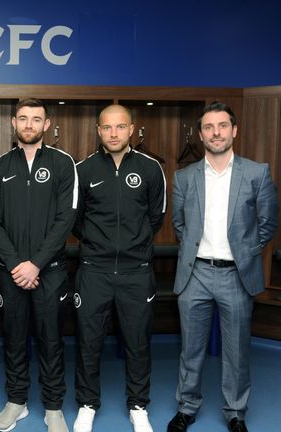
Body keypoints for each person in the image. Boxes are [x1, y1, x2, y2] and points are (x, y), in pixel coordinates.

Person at [167, 102, 278, 432]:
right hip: (195, 275)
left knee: (237, 351)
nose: (216, 132)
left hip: (236, 275)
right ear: (201, 134)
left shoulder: (257, 173)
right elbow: (178, 224)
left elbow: (267, 223)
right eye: (209, 127)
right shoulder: (184, 177)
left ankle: (235, 412)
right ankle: (186, 408)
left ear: (234, 130)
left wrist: (244, 254)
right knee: (191, 350)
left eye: (222, 126)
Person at [0, 98, 77, 432]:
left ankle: (53, 407)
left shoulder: (64, 164)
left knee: (51, 339)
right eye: (23, 118)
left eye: (36, 119)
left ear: (46, 125)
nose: (29, 124)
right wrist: (17, 265)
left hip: (49, 271)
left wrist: (35, 264)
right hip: (10, 272)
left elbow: (66, 218)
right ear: (13, 123)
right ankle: (17, 401)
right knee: (13, 338)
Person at [71, 104, 166, 432]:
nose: (113, 133)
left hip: (136, 272)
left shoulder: (152, 169)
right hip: (93, 271)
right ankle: (86, 403)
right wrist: (100, 246)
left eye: (120, 127)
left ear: (132, 129)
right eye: (107, 127)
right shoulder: (82, 170)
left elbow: (156, 218)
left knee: (138, 342)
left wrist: (130, 245)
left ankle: (138, 406)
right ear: (98, 131)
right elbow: (76, 220)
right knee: (88, 341)